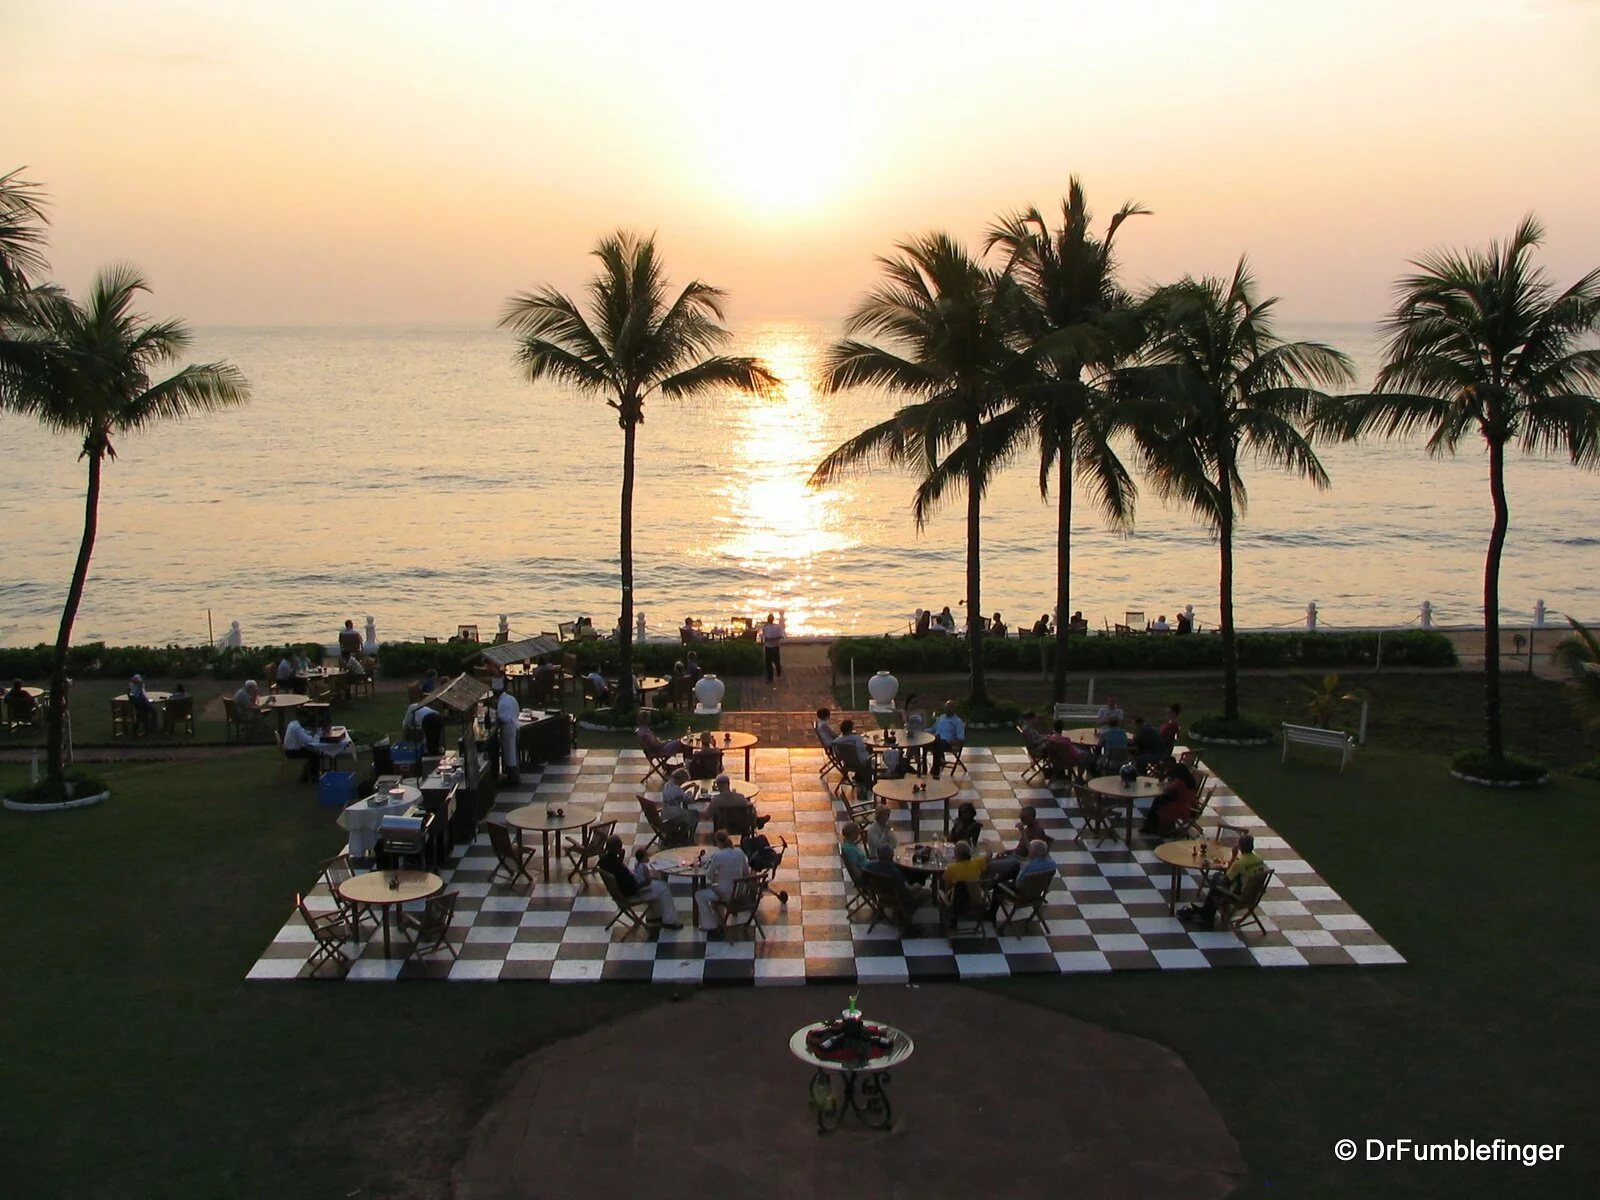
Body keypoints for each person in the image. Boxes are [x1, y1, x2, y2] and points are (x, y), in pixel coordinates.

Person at [1182, 835, 1265, 930]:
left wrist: (1233, 856)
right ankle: (1206, 912)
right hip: (1253, 895)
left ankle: (1207, 916)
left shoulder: (1239, 863)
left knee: (1216, 881)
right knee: (1216, 882)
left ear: (1240, 847)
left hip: (1238, 896)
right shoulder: (1259, 859)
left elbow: (1227, 879)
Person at [594, 837, 680, 928]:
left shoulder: (604, 861)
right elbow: (630, 886)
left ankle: (653, 915)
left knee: (657, 885)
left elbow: (618, 872)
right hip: (631, 893)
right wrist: (644, 883)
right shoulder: (617, 866)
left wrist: (620, 858)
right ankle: (669, 921)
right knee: (663, 887)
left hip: (620, 892)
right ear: (616, 848)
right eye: (620, 846)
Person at [695, 831, 750, 933]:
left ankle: (708, 925)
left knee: (699, 895)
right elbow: (746, 873)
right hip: (738, 893)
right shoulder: (740, 853)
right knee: (717, 888)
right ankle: (718, 921)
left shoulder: (719, 856)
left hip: (726, 894)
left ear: (718, 843)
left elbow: (709, 876)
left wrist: (715, 873)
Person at [985, 807, 1051, 881]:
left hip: (1020, 862)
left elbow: (1032, 853)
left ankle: (988, 885)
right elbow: (1019, 849)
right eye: (1021, 817)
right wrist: (1007, 852)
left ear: (1031, 817)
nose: (1021, 820)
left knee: (990, 866)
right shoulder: (1028, 828)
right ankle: (991, 884)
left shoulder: (1038, 831)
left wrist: (1023, 833)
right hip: (1015, 856)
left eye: (1023, 818)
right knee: (987, 862)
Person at [1142, 762, 1199, 836]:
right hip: (1185, 802)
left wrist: (1166, 783)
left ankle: (1150, 825)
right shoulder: (1188, 780)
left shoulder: (1179, 782)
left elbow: (1167, 789)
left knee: (1158, 802)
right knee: (1159, 800)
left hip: (1181, 806)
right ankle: (1151, 825)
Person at [493, 678, 521, 784]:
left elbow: (504, 719)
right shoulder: (511, 699)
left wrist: (497, 721)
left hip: (508, 731)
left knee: (510, 755)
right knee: (513, 754)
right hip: (515, 728)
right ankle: (513, 776)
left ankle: (513, 779)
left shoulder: (502, 703)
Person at [282, 714, 324, 782]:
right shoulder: (297, 728)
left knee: (311, 750)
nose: (305, 721)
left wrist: (309, 733)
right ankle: (313, 776)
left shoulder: (293, 723)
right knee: (314, 754)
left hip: (289, 750)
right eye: (305, 719)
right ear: (301, 718)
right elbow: (307, 741)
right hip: (292, 752)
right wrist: (315, 735)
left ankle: (306, 775)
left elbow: (302, 733)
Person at [930, 700, 965, 778]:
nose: (947, 710)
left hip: (948, 743)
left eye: (949, 708)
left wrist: (949, 742)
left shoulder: (958, 722)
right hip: (936, 740)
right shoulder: (941, 718)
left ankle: (936, 769)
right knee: (927, 741)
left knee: (937, 742)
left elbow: (960, 739)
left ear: (954, 709)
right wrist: (922, 732)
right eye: (946, 708)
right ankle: (939, 760)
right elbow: (933, 729)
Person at [760, 612, 784, 683]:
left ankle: (770, 678)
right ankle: (778, 673)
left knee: (768, 663)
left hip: (769, 647)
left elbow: (764, 638)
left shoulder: (766, 627)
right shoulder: (778, 627)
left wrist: (765, 641)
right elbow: (781, 636)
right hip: (776, 646)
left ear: (768, 620)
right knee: (777, 661)